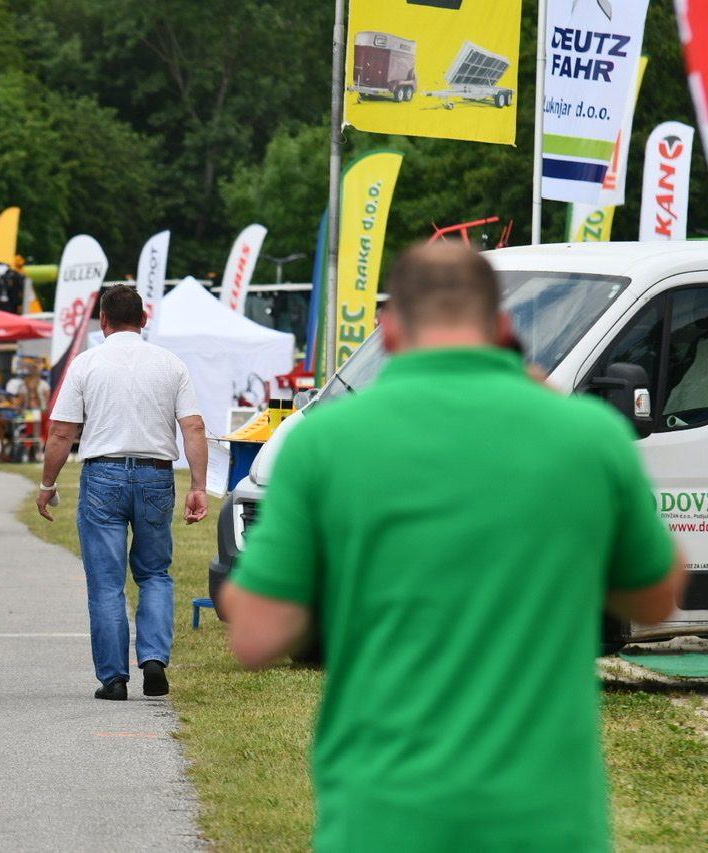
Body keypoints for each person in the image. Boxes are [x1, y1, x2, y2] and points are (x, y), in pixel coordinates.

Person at [219, 243, 686, 852]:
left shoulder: (325, 440)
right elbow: (656, 598)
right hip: (544, 817)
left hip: (382, 813)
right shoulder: (587, 436)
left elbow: (256, 634)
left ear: (389, 329)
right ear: (501, 328)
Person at [36, 285, 208, 700]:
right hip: (155, 476)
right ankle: (153, 660)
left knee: (107, 582)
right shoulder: (171, 365)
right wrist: (199, 486)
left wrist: (47, 484)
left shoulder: (85, 363)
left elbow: (61, 432)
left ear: (103, 321)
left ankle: (113, 679)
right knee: (154, 574)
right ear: (144, 320)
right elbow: (194, 428)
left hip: (103, 476)